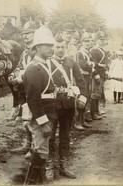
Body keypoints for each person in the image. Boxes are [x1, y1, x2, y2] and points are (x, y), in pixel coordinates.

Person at [48, 33, 88, 180]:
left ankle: (64, 166)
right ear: (53, 47)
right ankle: (49, 166)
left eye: (62, 47)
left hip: (68, 104)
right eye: (57, 47)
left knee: (65, 136)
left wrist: (83, 97)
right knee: (50, 136)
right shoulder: (47, 63)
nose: (59, 50)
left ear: (66, 47)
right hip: (51, 105)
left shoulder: (71, 62)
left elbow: (81, 81)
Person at [23, 26, 57, 184]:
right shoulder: (34, 69)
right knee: (40, 152)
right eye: (47, 46)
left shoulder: (42, 66)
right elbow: (33, 100)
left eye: (52, 45)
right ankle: (32, 182)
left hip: (46, 115)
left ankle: (39, 181)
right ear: (37, 48)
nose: (51, 49)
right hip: (39, 119)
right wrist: (43, 123)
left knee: (42, 151)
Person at [9, 21, 37, 158]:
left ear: (35, 34)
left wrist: (21, 76)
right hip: (25, 89)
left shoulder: (37, 50)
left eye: (29, 33)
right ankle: (28, 143)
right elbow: (20, 66)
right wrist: (13, 75)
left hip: (36, 88)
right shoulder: (25, 52)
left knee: (35, 117)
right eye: (24, 34)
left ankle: (34, 147)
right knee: (26, 116)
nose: (26, 36)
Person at [76, 32, 96, 125]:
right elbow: (83, 65)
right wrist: (91, 65)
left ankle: (83, 119)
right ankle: (79, 121)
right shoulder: (80, 52)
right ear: (82, 42)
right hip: (82, 77)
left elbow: (93, 62)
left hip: (88, 76)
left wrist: (91, 64)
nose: (88, 43)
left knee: (87, 96)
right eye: (86, 41)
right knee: (82, 97)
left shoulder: (88, 53)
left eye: (89, 41)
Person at [90, 31, 110, 116]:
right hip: (97, 74)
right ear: (96, 40)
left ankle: (98, 110)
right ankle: (94, 112)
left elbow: (105, 63)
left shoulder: (103, 50)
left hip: (102, 74)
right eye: (100, 39)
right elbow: (94, 64)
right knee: (95, 93)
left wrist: (106, 72)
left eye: (103, 39)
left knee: (99, 92)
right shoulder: (94, 50)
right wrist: (97, 74)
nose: (102, 41)